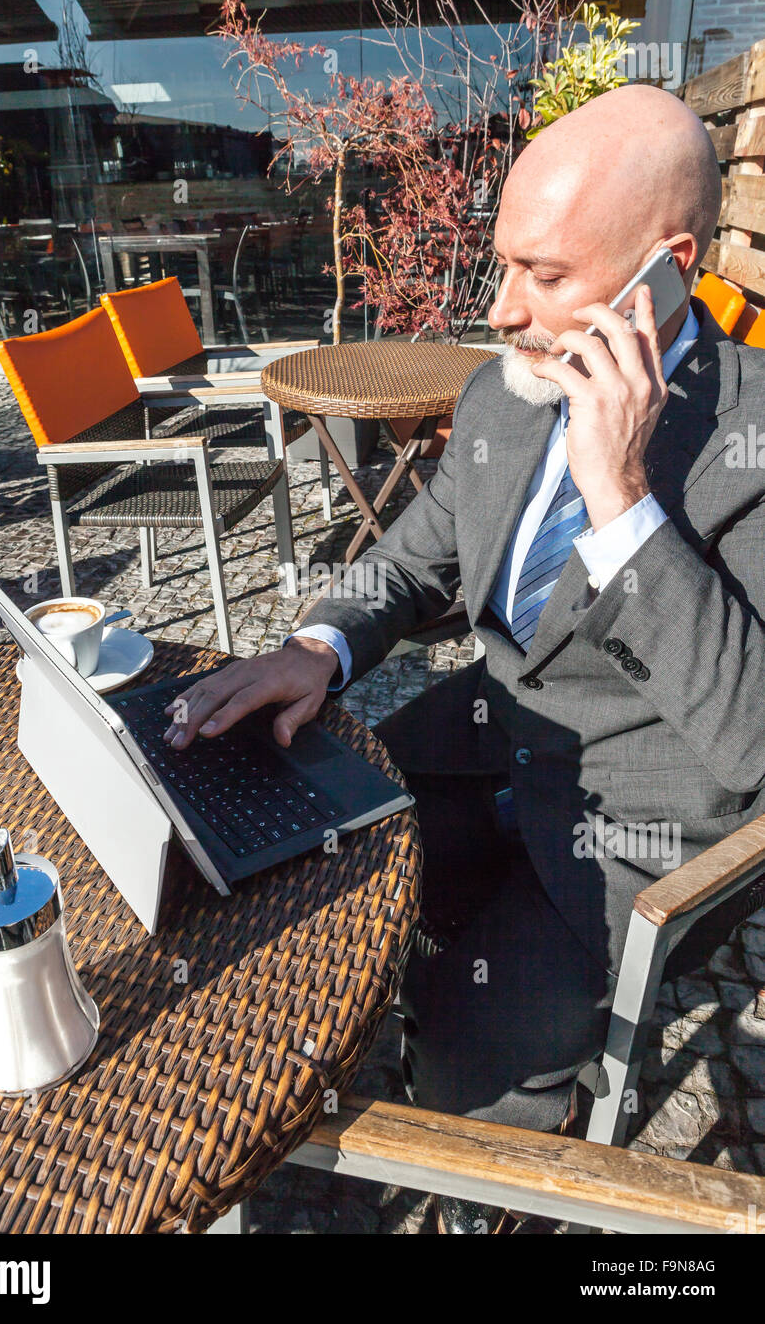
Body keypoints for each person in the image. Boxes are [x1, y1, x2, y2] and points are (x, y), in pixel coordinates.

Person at [162, 84, 765, 1231]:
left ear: (667, 269)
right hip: (477, 746)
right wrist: (316, 645)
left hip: (628, 842)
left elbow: (750, 742)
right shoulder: (500, 391)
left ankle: (485, 1165)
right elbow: (417, 554)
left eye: (545, 277)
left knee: (462, 1071)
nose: (500, 310)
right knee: (272, 852)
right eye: (502, 266)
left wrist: (622, 498)